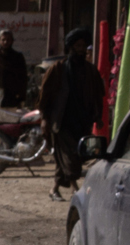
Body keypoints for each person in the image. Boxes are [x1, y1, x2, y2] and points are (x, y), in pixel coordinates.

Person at [38, 29, 107, 202]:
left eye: (83, 46)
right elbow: (45, 96)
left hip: (82, 121)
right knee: (71, 158)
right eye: (78, 46)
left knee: (67, 158)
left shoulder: (90, 71)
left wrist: (98, 117)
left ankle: (54, 189)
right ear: (70, 48)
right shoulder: (58, 69)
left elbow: (98, 95)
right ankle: (76, 190)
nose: (81, 49)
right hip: (61, 121)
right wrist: (44, 119)